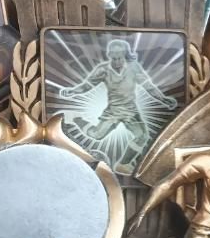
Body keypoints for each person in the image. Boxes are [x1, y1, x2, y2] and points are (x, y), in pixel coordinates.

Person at [58, 38, 177, 169]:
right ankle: (75, 118)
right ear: (109, 55)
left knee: (142, 136)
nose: (116, 61)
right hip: (113, 111)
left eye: (119, 58)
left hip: (131, 111)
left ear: (125, 55)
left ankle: (123, 164)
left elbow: (148, 86)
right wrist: (72, 91)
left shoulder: (133, 68)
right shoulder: (103, 69)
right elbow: (87, 86)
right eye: (113, 58)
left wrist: (163, 99)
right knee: (96, 135)